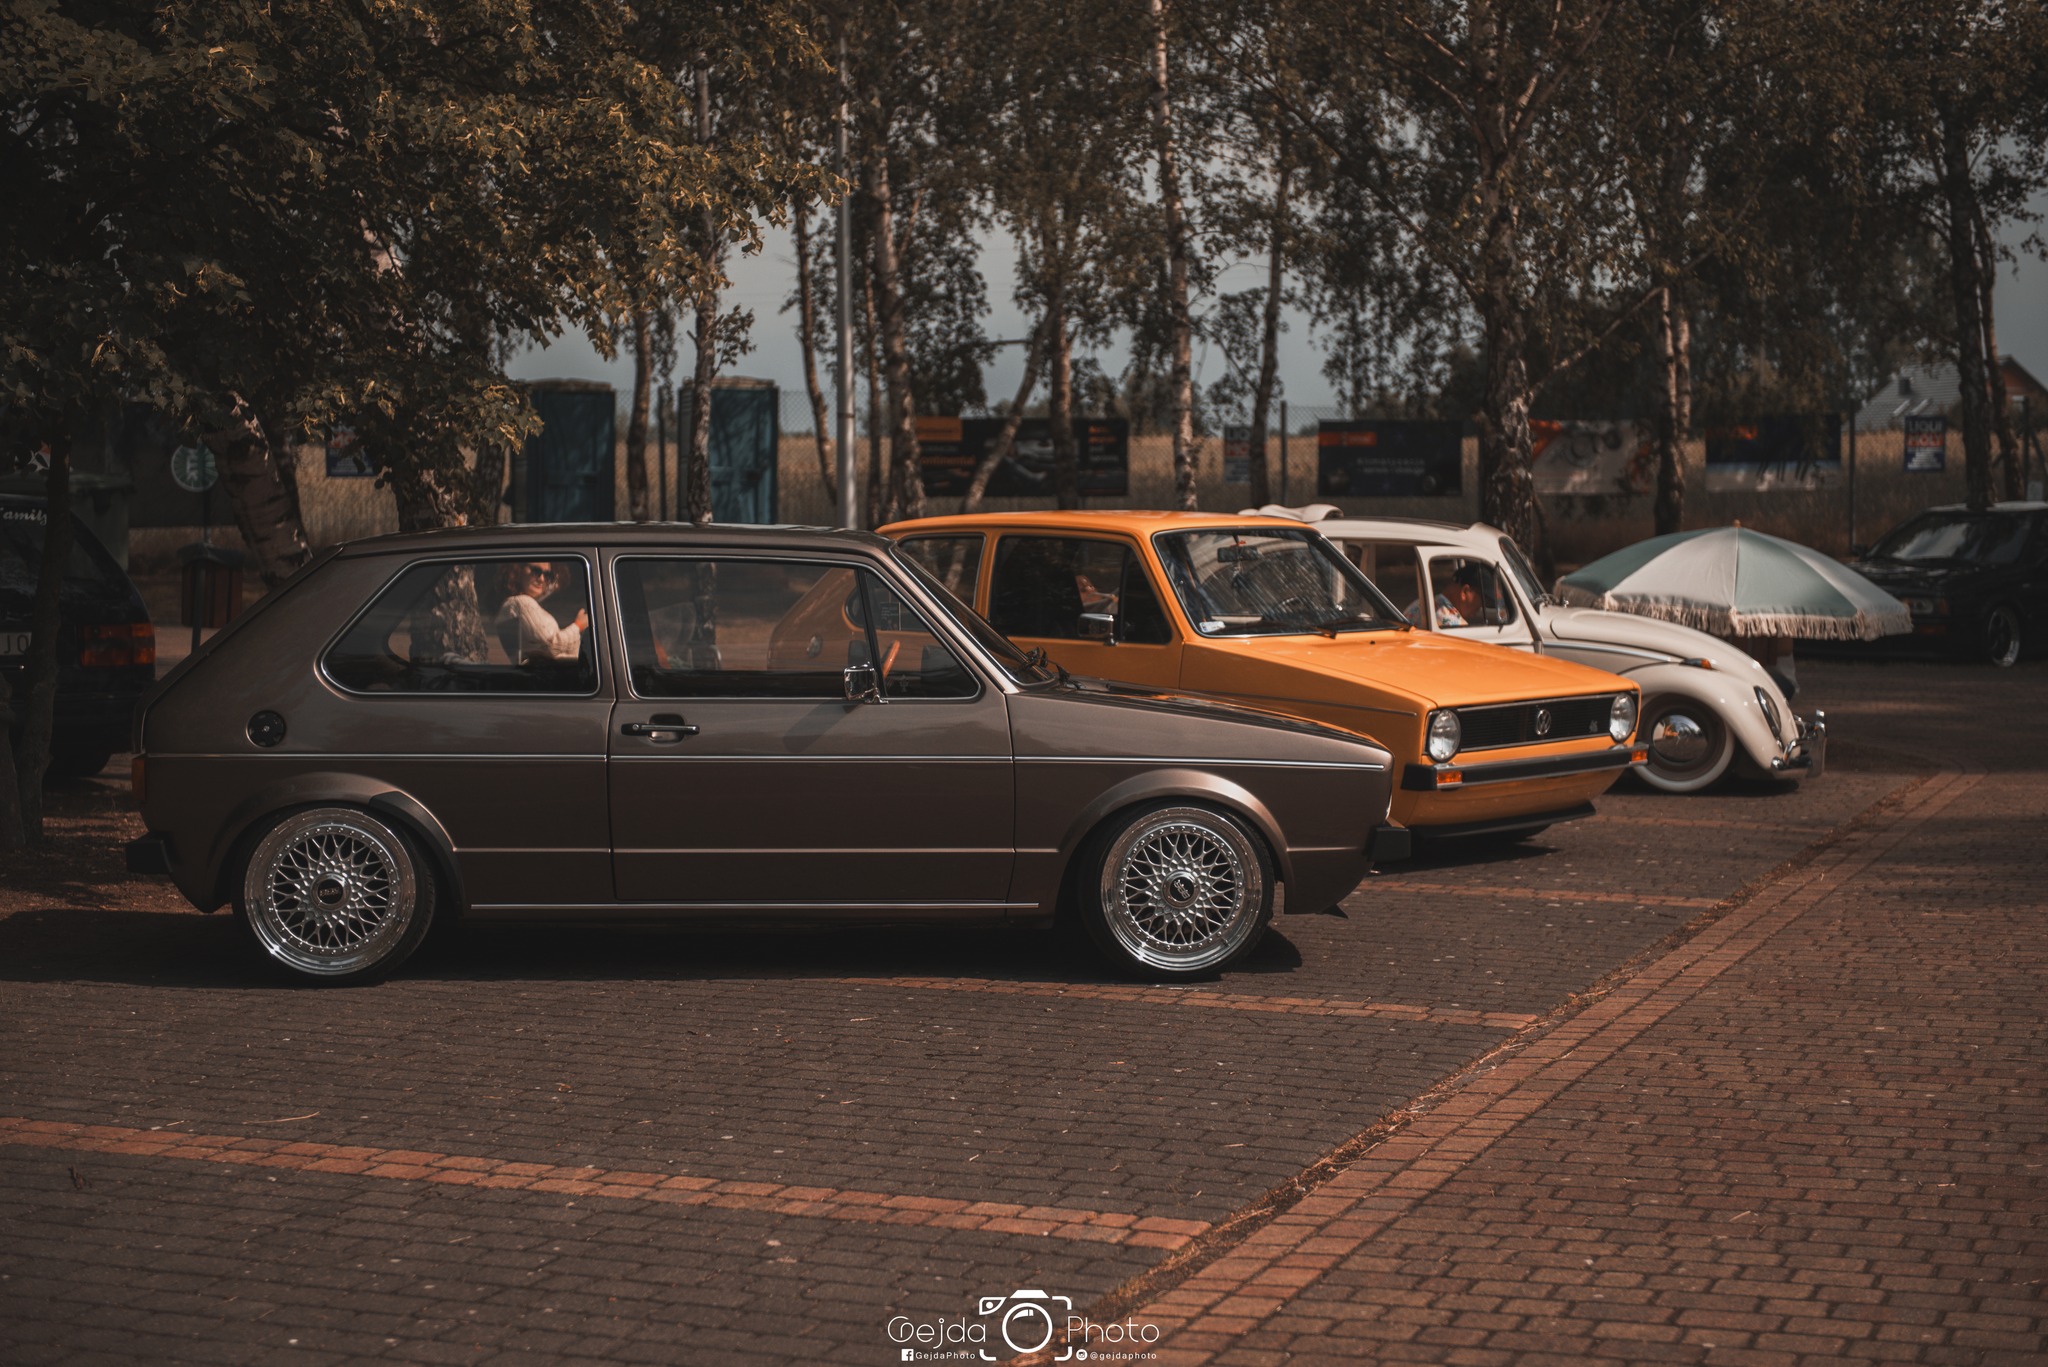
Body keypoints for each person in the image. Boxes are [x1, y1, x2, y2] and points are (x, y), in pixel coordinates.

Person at [496, 562, 587, 663]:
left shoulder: (514, 604)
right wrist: (578, 625)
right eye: (536, 571)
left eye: (547, 575)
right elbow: (551, 646)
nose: (541, 579)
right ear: (518, 571)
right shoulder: (521, 602)